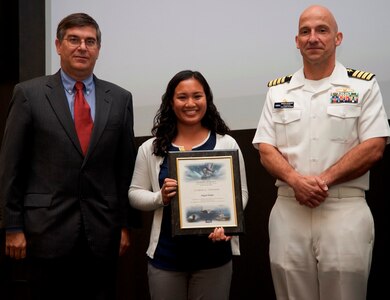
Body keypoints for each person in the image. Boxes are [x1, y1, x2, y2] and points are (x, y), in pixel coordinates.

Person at [252, 5, 390, 300]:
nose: (313, 37)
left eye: (322, 30)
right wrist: (296, 180)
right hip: (289, 209)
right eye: (305, 31)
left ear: (337, 38)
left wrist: (321, 181)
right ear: (297, 40)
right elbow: (265, 148)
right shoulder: (279, 91)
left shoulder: (362, 86)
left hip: (344, 209)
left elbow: (374, 146)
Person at [0, 13, 138, 300]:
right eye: (74, 40)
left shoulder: (120, 98)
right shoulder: (29, 94)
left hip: (103, 232)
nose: (82, 47)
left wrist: (125, 224)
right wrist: (12, 226)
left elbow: (124, 167)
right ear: (58, 45)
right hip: (45, 231)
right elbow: (11, 166)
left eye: (90, 41)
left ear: (98, 49)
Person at [128, 70, 248, 300]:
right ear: (171, 102)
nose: (190, 103)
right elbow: (134, 194)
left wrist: (228, 223)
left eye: (197, 96)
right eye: (182, 97)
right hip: (166, 258)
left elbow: (241, 193)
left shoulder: (226, 143)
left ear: (207, 99)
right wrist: (159, 198)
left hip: (214, 258)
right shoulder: (151, 148)